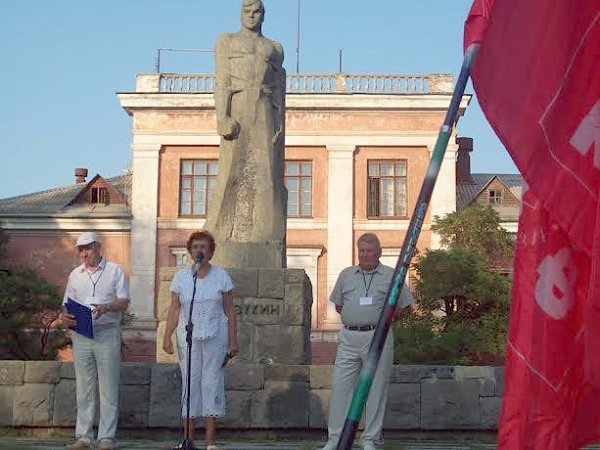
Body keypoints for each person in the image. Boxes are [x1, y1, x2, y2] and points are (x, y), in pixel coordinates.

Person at [204, 0, 287, 269]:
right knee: (231, 172)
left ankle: (266, 233)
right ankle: (219, 232)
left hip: (264, 110)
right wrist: (222, 116)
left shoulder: (273, 48)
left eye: (257, 12)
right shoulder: (226, 41)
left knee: (266, 174)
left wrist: (279, 126)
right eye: (246, 11)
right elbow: (221, 81)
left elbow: (279, 90)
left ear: (264, 15)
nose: (251, 16)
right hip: (237, 107)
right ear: (240, 14)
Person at [320, 233, 414, 450]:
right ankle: (335, 438)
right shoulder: (346, 275)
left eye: (370, 250)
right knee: (341, 387)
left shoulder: (392, 275)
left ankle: (370, 439)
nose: (365, 254)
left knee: (376, 389)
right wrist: (358, 317)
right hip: (349, 336)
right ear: (357, 251)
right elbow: (339, 305)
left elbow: (406, 308)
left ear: (379, 252)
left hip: (378, 337)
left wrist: (384, 323)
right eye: (362, 250)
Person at [162, 230, 239, 450]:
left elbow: (230, 311)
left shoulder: (222, 276)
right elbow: (174, 310)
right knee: (190, 382)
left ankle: (210, 441)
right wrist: (167, 336)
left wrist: (233, 342)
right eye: (195, 247)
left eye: (203, 247)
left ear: (211, 251)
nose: (199, 250)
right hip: (188, 338)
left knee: (211, 381)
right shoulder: (182, 278)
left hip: (215, 336)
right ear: (189, 251)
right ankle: (188, 439)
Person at [60, 232, 130, 450]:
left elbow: (124, 301)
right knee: (84, 386)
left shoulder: (115, 271)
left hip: (106, 332)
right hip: (81, 334)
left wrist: (107, 307)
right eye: (81, 249)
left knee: (108, 386)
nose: (84, 253)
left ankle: (106, 438)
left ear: (98, 248)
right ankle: (83, 437)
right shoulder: (75, 275)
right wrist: (64, 316)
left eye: (88, 248)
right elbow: (66, 303)